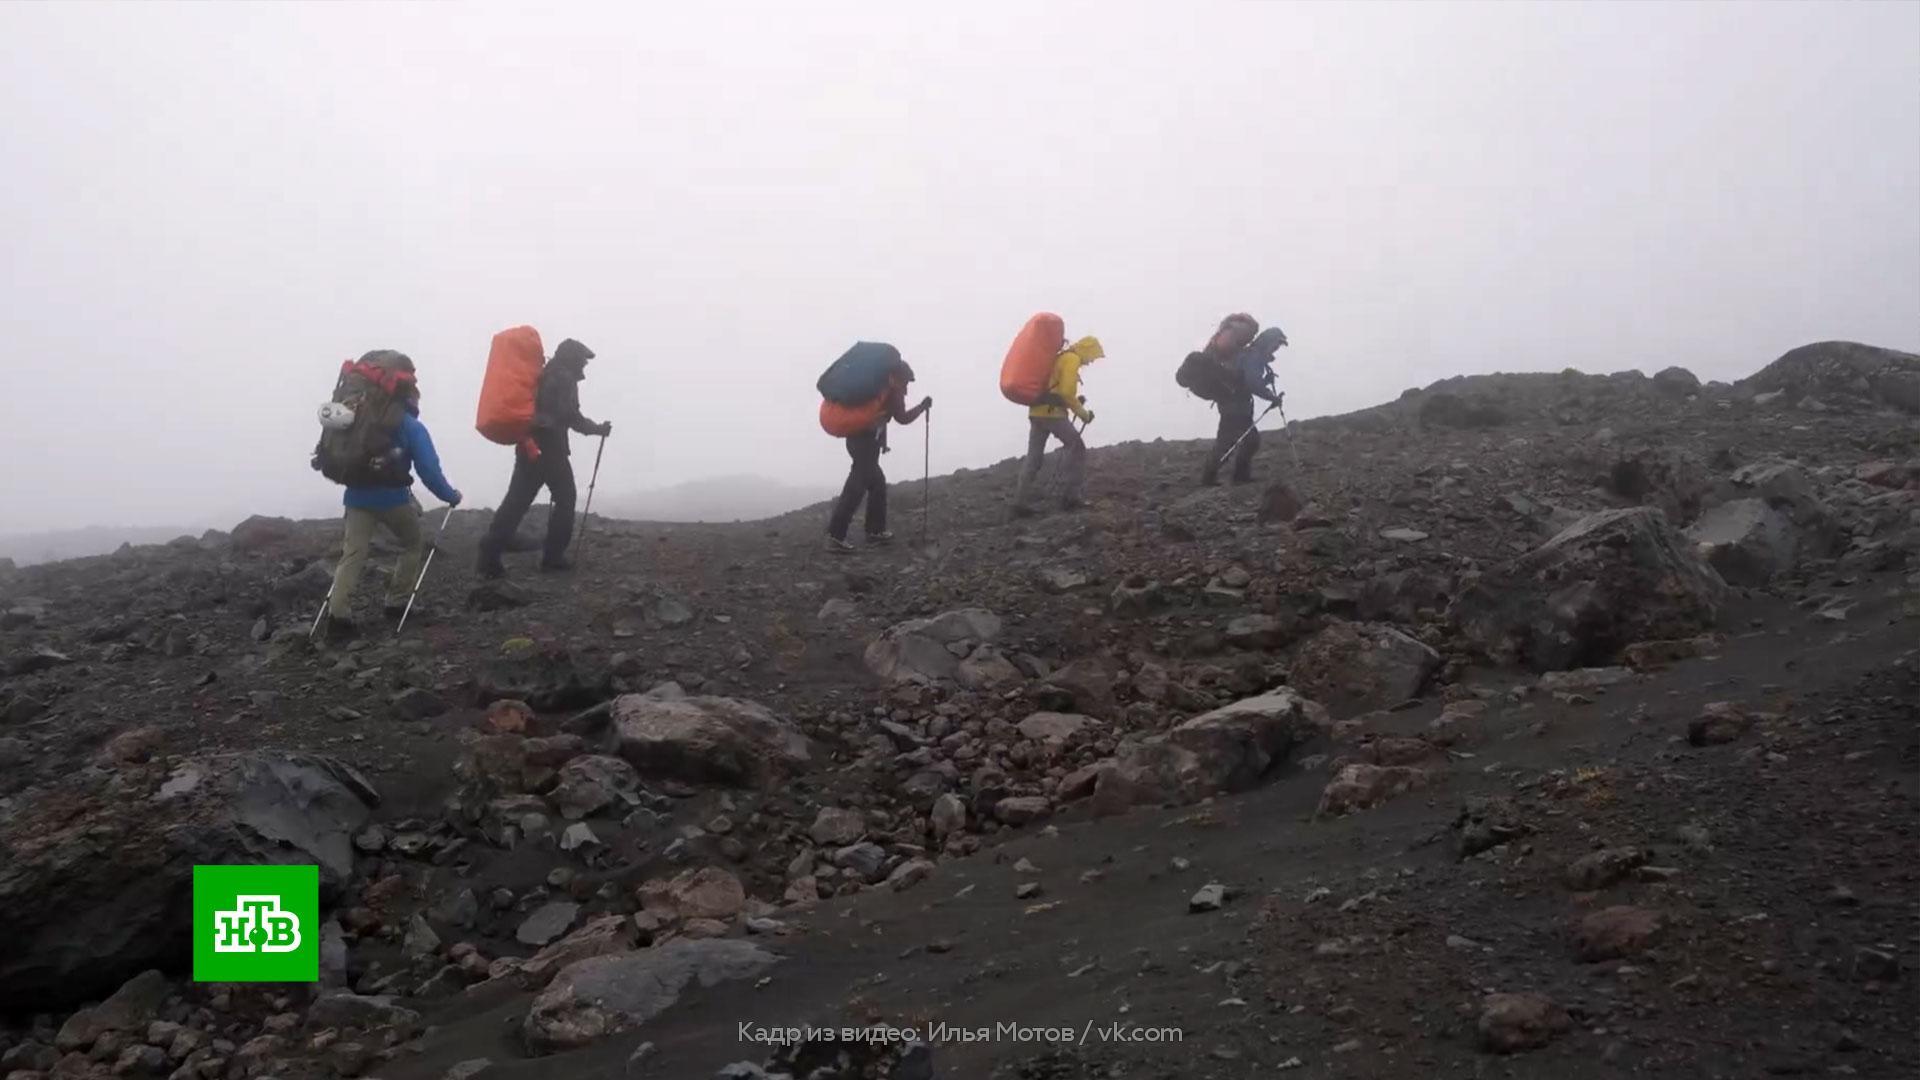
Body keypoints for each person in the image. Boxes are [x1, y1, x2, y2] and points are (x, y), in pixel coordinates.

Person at [324, 354, 462, 641]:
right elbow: (428, 470)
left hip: (356, 497)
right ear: (410, 396)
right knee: (412, 543)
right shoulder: (411, 427)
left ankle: (337, 615)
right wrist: (450, 496)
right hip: (392, 500)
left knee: (353, 554)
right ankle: (397, 603)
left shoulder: (358, 416)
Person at [477, 338, 612, 577]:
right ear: (573, 358)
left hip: (529, 444)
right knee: (566, 498)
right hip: (550, 448)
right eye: (583, 360)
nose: (584, 365)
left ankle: (490, 552)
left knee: (517, 500)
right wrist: (598, 429)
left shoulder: (547, 373)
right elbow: (570, 416)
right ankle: (552, 557)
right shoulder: (563, 378)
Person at [826, 356, 930, 553]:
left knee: (877, 484)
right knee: (855, 488)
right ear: (900, 377)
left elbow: (882, 418)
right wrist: (922, 406)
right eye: (907, 381)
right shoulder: (893, 391)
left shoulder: (879, 388)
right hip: (866, 443)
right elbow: (902, 418)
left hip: (856, 440)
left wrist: (882, 443)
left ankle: (874, 531)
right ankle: (836, 536)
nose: (907, 386)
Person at [1012, 335, 1104, 516]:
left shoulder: (1061, 357)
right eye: (1093, 356)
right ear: (1088, 349)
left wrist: (1074, 402)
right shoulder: (1072, 359)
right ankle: (1070, 498)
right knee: (1077, 448)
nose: (1092, 361)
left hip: (1037, 411)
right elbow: (1066, 393)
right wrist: (1083, 414)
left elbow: (1057, 390)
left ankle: (1019, 503)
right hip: (1052, 414)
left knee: (1034, 458)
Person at [1206, 325, 1288, 486]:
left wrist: (1265, 383)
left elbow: (1246, 381)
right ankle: (1234, 476)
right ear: (1268, 342)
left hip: (1231, 402)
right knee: (1249, 440)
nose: (1276, 349)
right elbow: (1252, 383)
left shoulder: (1249, 355)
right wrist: (1271, 396)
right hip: (1236, 404)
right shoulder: (1254, 356)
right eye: (1276, 345)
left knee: (1228, 439)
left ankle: (1213, 475)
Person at [1191, 314, 1260, 486]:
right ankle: (1224, 476)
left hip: (1229, 398)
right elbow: (1230, 366)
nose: (1251, 338)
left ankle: (1220, 475)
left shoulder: (1224, 336)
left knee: (1233, 439)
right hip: (1231, 399)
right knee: (1238, 440)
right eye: (1251, 334)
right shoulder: (1231, 337)